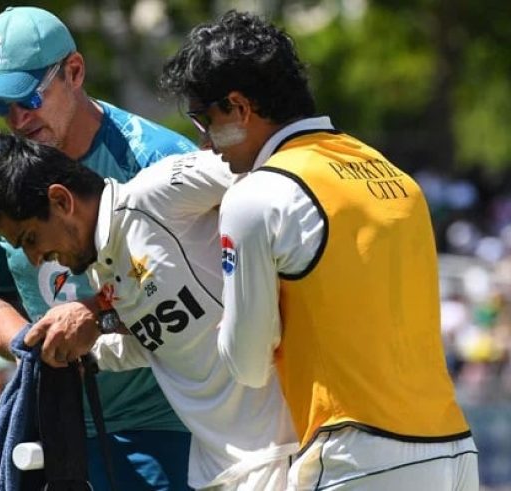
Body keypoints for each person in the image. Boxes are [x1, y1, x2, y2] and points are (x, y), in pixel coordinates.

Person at [158, 10, 480, 490]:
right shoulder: (397, 178)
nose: (203, 141)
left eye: (204, 119)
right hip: (453, 448)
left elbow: (245, 364)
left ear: (239, 107)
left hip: (356, 455)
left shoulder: (256, 195)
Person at [0, 134, 298, 490]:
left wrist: (259, 279)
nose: (34, 258)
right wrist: (83, 355)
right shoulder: (99, 270)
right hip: (220, 468)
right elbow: (158, 342)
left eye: (30, 238)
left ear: (61, 201)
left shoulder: (158, 190)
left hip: (289, 450)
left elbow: (277, 177)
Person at [0, 6, 196, 490]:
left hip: (170, 424)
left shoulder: (161, 162)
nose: (17, 118)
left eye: (26, 97)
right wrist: (27, 343)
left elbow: (212, 287)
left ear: (74, 71)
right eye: (0, 106)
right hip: (57, 425)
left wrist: (96, 317)